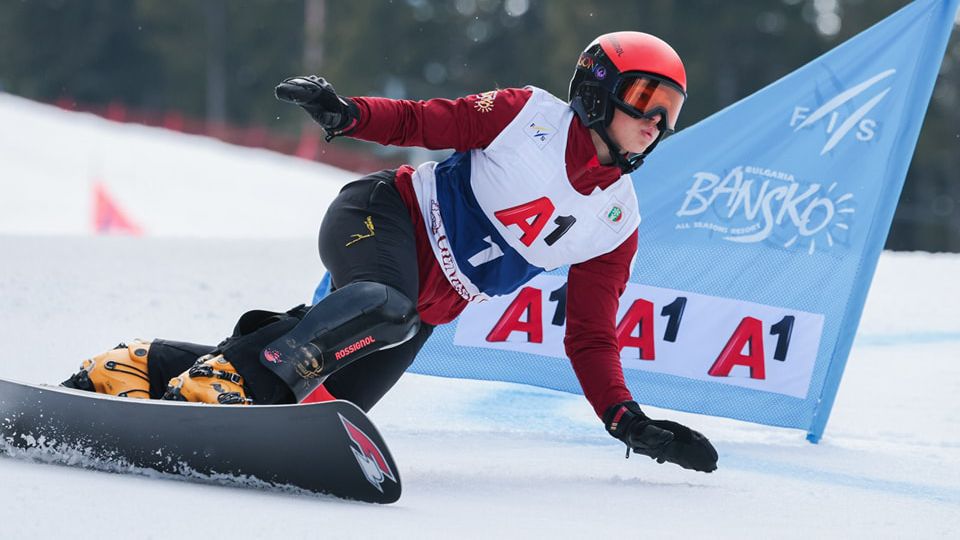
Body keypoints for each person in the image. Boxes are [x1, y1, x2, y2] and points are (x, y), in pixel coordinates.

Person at [63, 32, 718, 473]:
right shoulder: (529, 117)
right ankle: (219, 384)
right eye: (645, 100)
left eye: (671, 111)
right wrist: (348, 114)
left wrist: (623, 419)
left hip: (424, 311)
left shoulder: (615, 221)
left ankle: (139, 366)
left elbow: (591, 335)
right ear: (598, 90)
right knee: (384, 307)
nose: (655, 123)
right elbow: (424, 118)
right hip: (379, 216)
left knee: (320, 407)